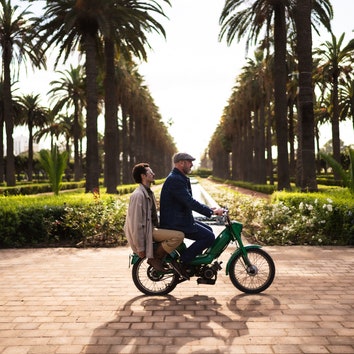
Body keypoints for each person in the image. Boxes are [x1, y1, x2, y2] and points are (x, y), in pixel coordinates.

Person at [159, 152, 224, 279]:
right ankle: (184, 262)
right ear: (181, 163)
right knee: (209, 237)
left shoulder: (178, 178)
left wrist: (209, 209)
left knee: (209, 230)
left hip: (179, 219)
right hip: (175, 223)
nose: (192, 164)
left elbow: (187, 201)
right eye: (189, 162)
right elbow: (190, 202)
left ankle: (195, 262)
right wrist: (211, 212)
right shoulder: (175, 180)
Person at [124, 163, 184, 272]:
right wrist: (140, 248)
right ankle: (155, 258)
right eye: (150, 172)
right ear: (143, 176)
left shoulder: (148, 192)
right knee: (179, 236)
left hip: (151, 229)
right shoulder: (138, 195)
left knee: (177, 230)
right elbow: (135, 224)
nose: (153, 174)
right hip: (147, 232)